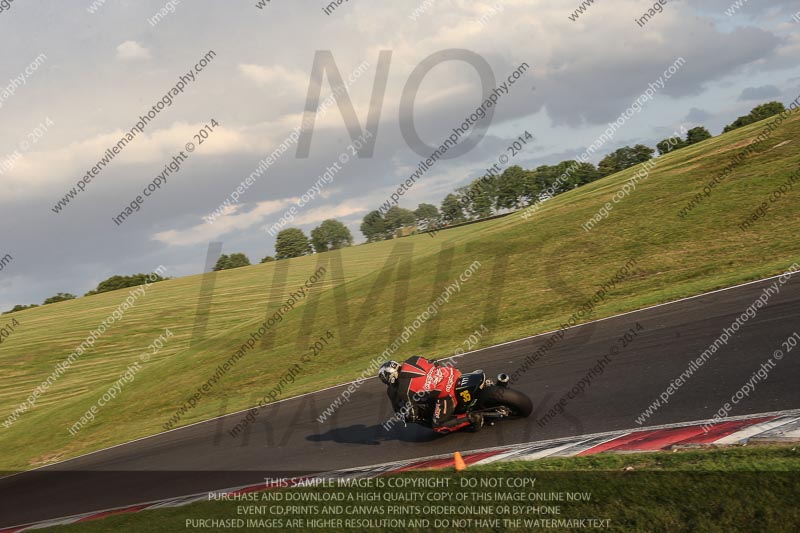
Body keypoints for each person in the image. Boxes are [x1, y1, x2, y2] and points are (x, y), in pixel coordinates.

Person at [378, 356, 482, 433]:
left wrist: (410, 416)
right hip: (452, 373)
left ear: (389, 378)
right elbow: (434, 362)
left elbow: (413, 413)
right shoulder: (412, 360)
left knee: (438, 425)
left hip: (446, 393)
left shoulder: (403, 390)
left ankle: (472, 418)